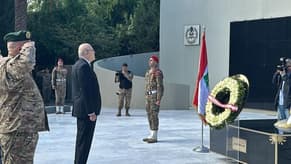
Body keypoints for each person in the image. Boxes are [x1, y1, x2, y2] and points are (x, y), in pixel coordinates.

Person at [0, 30, 49, 163]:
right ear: (19, 48)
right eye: (25, 46)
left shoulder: (9, 65)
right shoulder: (8, 67)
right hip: (17, 129)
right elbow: (26, 62)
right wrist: (29, 46)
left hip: (21, 129)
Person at [72, 43, 101, 164]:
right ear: (86, 52)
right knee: (84, 143)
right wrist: (91, 111)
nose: (94, 52)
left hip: (83, 110)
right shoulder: (83, 67)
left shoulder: (79, 65)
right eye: (92, 50)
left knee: (82, 142)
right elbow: (86, 91)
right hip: (86, 112)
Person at [143, 55, 164, 143]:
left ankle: (154, 136)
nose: (150, 62)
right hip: (148, 96)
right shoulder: (148, 72)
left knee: (154, 115)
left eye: (151, 60)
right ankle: (151, 133)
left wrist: (158, 99)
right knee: (149, 114)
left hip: (154, 97)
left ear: (156, 62)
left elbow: (160, 87)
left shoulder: (158, 73)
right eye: (149, 60)